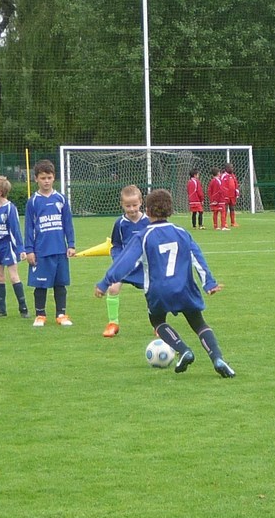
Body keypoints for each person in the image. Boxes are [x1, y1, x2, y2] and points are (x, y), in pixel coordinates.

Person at [94, 188, 235, 378]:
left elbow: (125, 262)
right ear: (170, 210)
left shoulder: (143, 235)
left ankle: (183, 350)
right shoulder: (182, 232)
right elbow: (197, 257)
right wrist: (209, 283)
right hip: (185, 288)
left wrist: (105, 282)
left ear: (147, 210)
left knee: (158, 321)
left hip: (158, 290)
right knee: (199, 323)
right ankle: (217, 358)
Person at [23, 159, 76, 327]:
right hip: (41, 250)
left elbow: (68, 224)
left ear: (54, 178)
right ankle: (40, 315)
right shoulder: (33, 201)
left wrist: (71, 244)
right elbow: (29, 227)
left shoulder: (61, 199)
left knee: (60, 284)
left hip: (59, 249)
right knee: (40, 284)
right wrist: (29, 250)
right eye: (43, 178)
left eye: (49, 178)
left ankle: (61, 314)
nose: (46, 181)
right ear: (36, 179)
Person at [101, 185, 150, 338]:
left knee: (153, 292)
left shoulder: (149, 221)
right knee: (113, 288)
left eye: (134, 205)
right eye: (128, 206)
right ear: (122, 204)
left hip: (144, 266)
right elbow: (115, 245)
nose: (132, 209)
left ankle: (158, 325)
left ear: (141, 202)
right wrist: (118, 261)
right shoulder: (120, 223)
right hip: (125, 265)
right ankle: (113, 323)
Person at [0, 175, 29, 318]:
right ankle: (1, 309)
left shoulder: (10, 209)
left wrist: (20, 249)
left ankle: (23, 309)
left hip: (7, 246)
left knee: (13, 276)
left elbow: (15, 231)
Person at [221, 162, 240, 228]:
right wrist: (224, 194)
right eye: (231, 167)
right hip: (226, 196)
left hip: (232, 195)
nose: (232, 169)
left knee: (232, 208)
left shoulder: (233, 176)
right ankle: (224, 222)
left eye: (232, 167)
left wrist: (237, 192)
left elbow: (236, 184)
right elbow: (222, 186)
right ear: (226, 168)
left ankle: (233, 222)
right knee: (225, 209)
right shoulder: (223, 176)